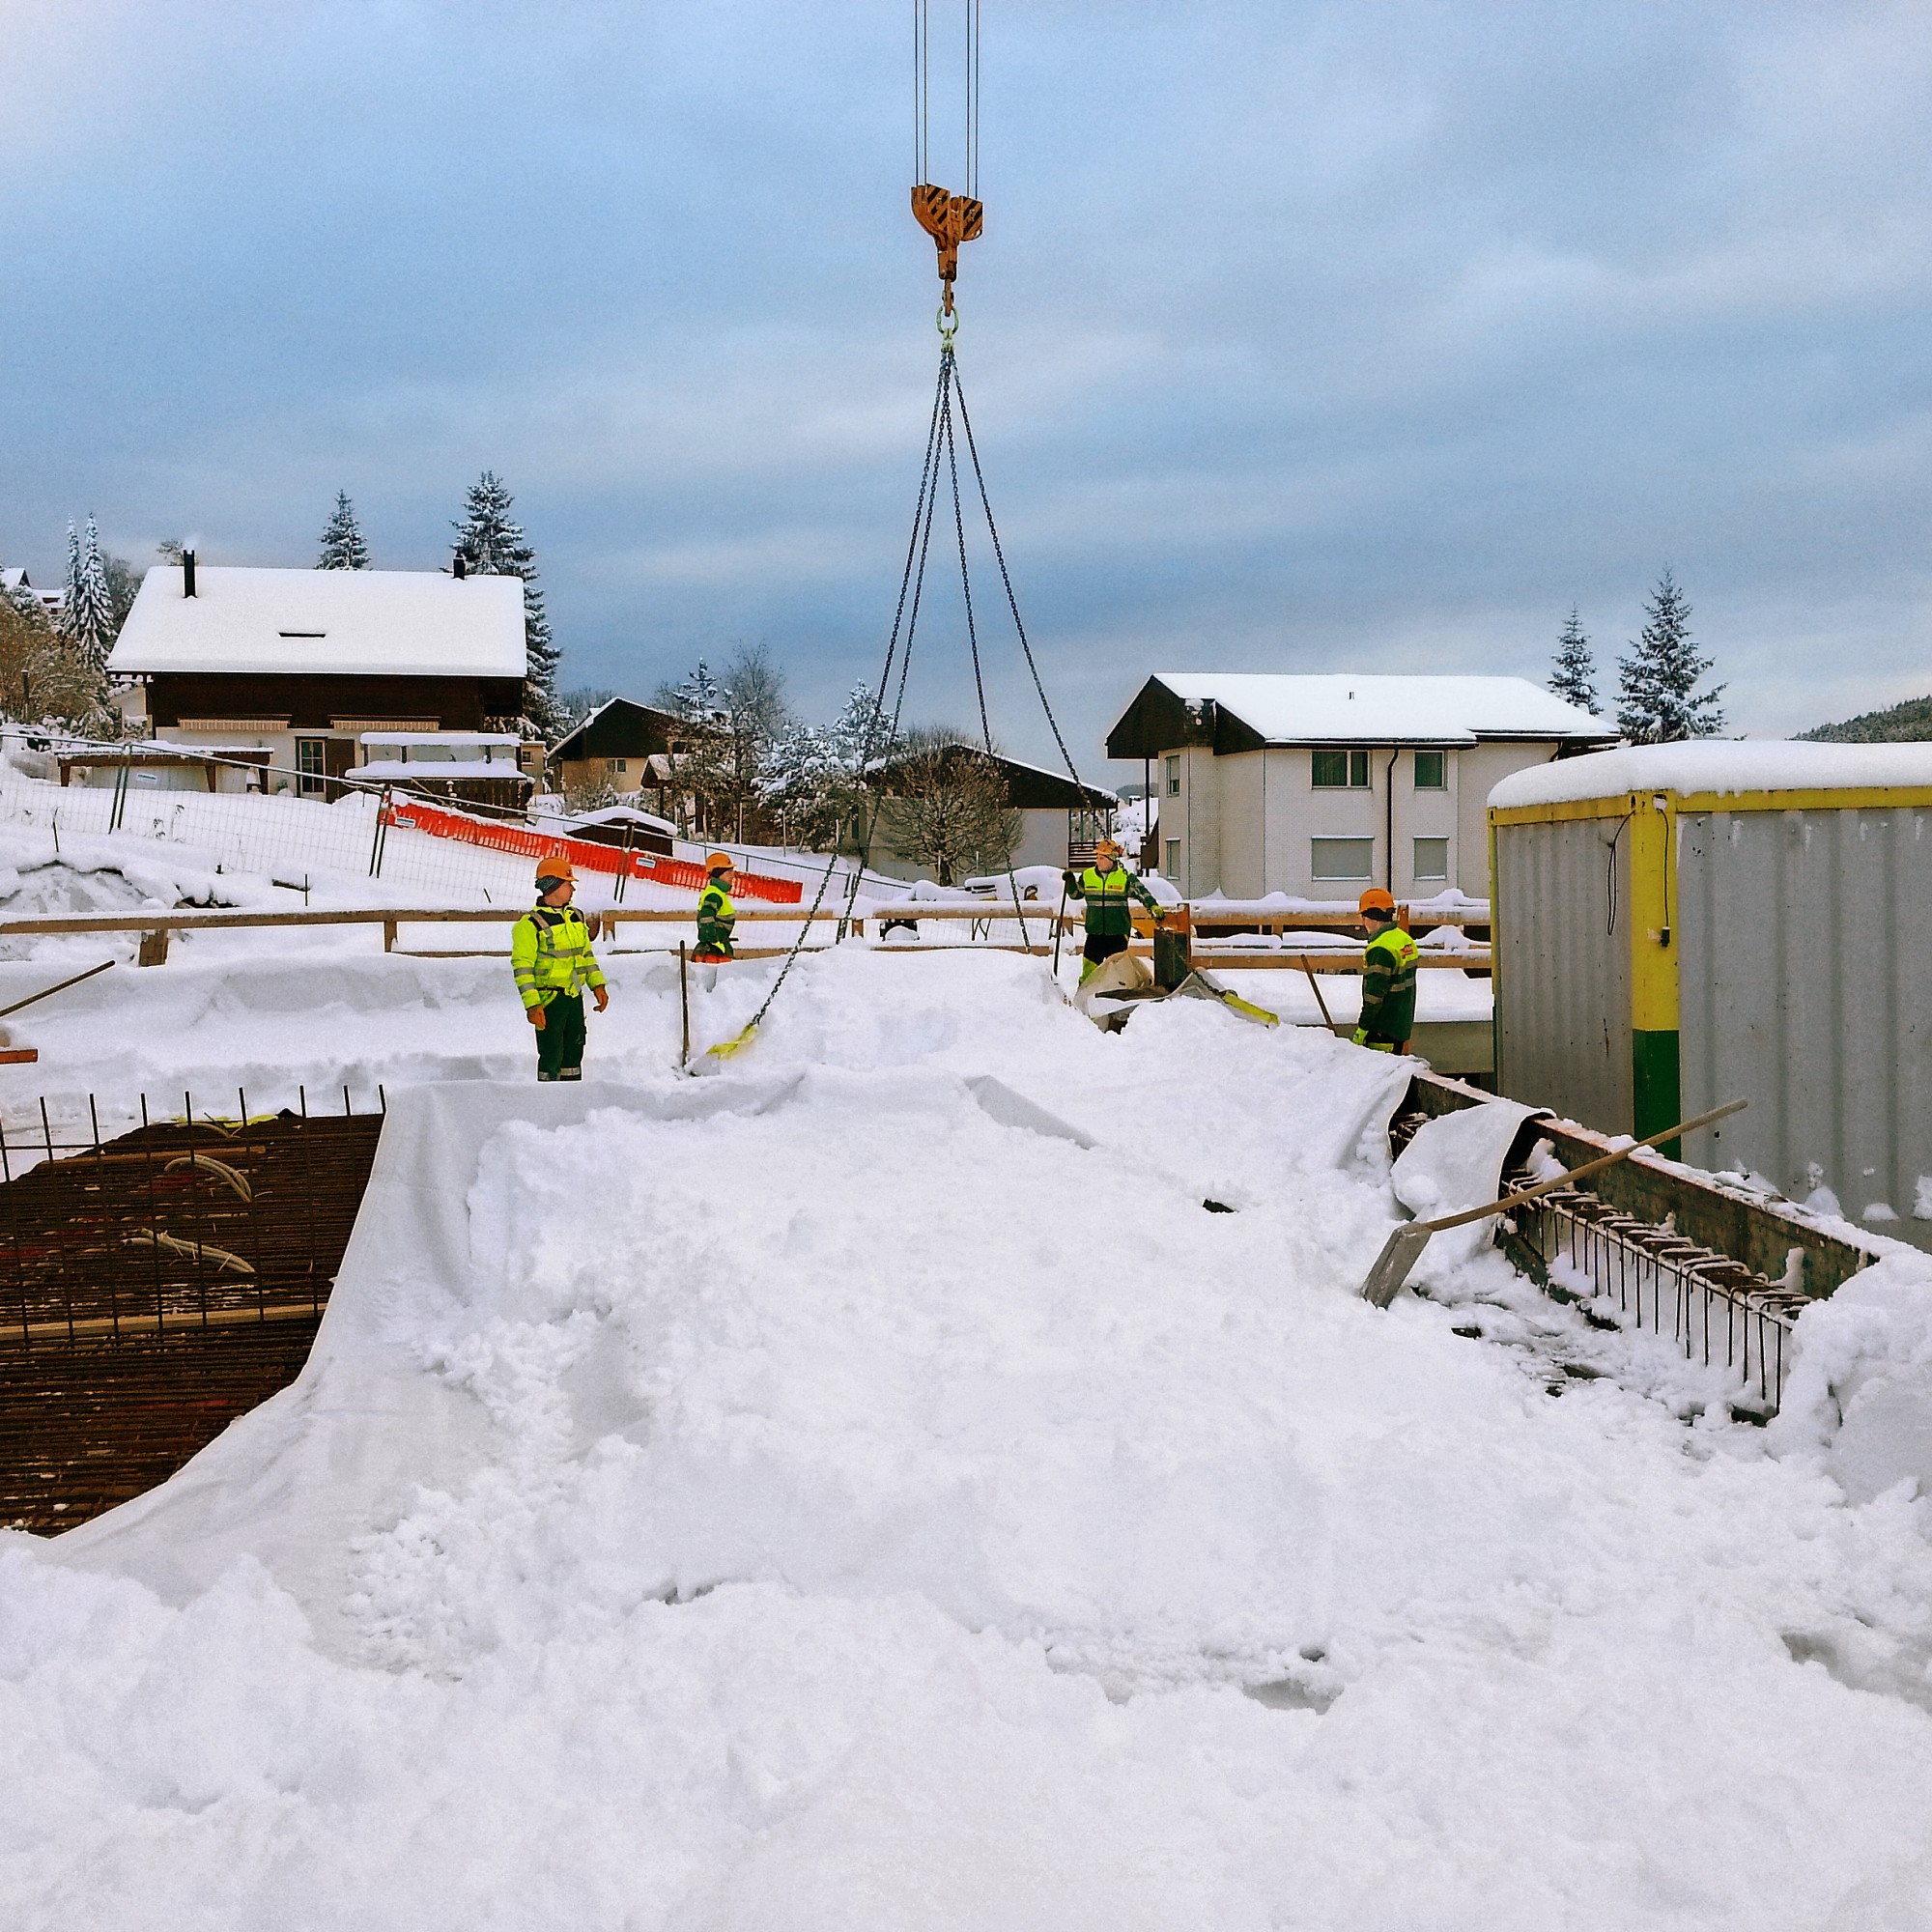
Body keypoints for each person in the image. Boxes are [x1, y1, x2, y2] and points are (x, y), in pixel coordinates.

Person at [511, 857, 609, 1082]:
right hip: (549, 1002)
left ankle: (571, 1099)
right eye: (567, 883)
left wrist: (598, 985)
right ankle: (548, 1102)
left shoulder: (576, 917)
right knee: (551, 1055)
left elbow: (586, 956)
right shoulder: (529, 925)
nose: (572, 888)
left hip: (574, 997)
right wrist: (533, 1004)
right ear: (552, 886)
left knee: (574, 1053)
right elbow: (522, 968)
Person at [1063, 836, 1164, 983]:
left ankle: (1115, 999)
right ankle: (1085, 996)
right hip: (1095, 932)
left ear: (1112, 859)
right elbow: (1075, 894)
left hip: (1118, 933)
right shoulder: (1088, 875)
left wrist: (1153, 906)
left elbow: (1142, 892)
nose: (1098, 861)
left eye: (1102, 858)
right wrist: (1070, 882)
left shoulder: (1124, 877)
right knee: (1089, 972)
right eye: (1097, 857)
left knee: (1117, 974)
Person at [1352, 887, 1417, 1054]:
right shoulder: (1404, 940)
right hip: (1402, 1029)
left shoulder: (1380, 948)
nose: (1363, 923)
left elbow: (1374, 996)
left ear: (1374, 917)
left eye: (1364, 917)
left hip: (1382, 1031)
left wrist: (1362, 1030)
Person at [695, 852, 737, 963]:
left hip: (715, 950)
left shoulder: (717, 893)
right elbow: (706, 920)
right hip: (713, 954)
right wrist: (714, 941)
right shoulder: (714, 895)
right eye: (729, 872)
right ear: (719, 873)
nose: (732, 876)